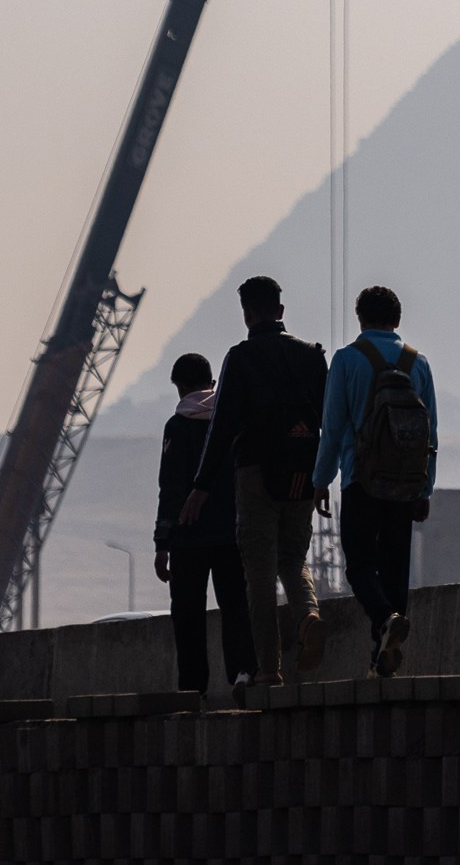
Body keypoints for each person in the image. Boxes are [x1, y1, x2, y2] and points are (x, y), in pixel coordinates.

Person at [183, 274, 329, 684]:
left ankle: (269, 669)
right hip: (303, 473)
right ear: (280, 310)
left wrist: (201, 486)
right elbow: (330, 421)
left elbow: (222, 428)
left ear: (247, 314)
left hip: (256, 475)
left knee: (260, 573)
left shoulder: (240, 358)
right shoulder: (313, 356)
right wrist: (323, 476)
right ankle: (308, 615)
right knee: (293, 558)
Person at [312, 284, 439, 677]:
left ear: (360, 319)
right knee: (395, 568)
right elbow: (430, 434)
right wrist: (425, 488)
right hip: (405, 483)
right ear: (397, 319)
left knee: (360, 565)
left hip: (361, 479)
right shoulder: (418, 363)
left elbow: (332, 427)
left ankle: (384, 621)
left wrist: (321, 480)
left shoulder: (347, 359)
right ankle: (381, 656)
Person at [152, 352, 256, 697]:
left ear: (180, 387)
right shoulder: (233, 421)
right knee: (236, 606)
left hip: (188, 537)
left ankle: (193, 689)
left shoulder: (177, 426)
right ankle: (242, 672)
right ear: (212, 383)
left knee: (188, 614)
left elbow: (170, 489)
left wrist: (162, 543)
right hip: (231, 533)